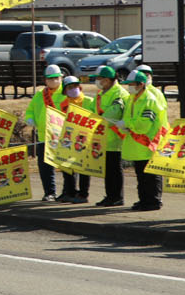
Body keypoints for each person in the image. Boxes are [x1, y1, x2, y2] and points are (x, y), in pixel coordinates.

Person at [121, 68, 166, 211]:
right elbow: (130, 118)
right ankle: (143, 200)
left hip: (148, 142)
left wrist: (127, 124)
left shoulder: (149, 100)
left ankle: (153, 201)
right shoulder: (132, 99)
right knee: (141, 175)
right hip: (137, 143)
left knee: (150, 175)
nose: (129, 87)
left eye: (132, 84)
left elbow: (144, 125)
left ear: (141, 84)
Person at [24, 64, 67, 202]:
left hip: (62, 136)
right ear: (45, 80)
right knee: (45, 167)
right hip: (44, 136)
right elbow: (30, 110)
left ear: (61, 78)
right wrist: (30, 118)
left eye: (56, 78)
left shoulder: (66, 93)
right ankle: (49, 192)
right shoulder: (39, 95)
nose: (53, 81)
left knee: (67, 165)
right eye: (50, 78)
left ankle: (68, 192)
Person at [92, 67, 129, 207]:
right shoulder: (101, 93)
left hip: (115, 138)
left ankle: (117, 197)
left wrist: (96, 121)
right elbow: (91, 109)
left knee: (114, 169)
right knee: (108, 170)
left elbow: (113, 114)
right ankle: (110, 196)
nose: (97, 81)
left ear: (107, 80)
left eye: (99, 79)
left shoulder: (119, 93)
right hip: (103, 138)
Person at [55, 76, 93, 204]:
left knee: (83, 169)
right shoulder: (63, 104)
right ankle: (69, 192)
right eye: (70, 87)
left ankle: (83, 194)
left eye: (75, 86)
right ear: (65, 91)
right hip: (68, 139)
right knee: (67, 167)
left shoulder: (88, 101)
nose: (73, 89)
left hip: (84, 139)